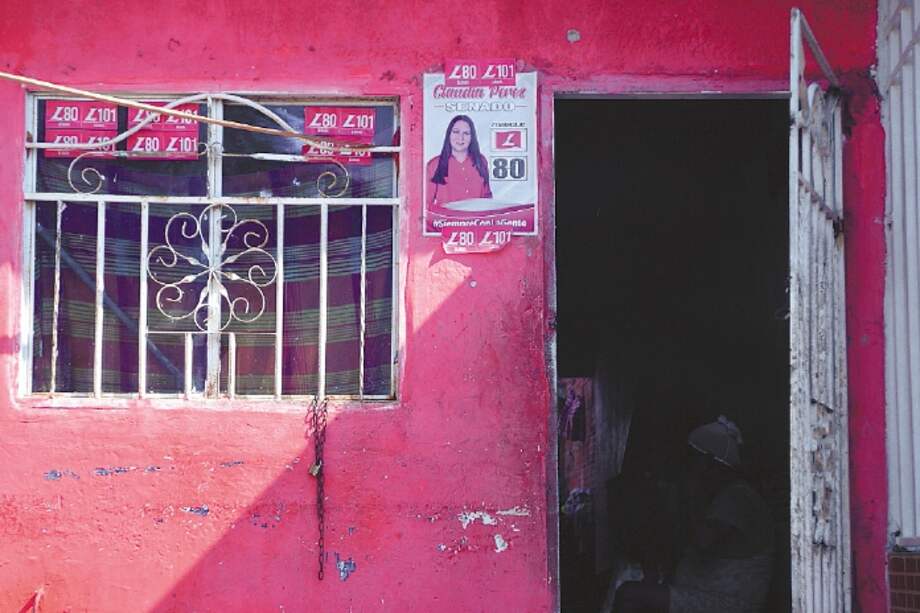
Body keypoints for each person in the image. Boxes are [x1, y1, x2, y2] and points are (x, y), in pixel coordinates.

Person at [614, 416, 774, 613]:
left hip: (726, 603)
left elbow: (703, 540)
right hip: (701, 592)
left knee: (629, 595)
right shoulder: (723, 495)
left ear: (708, 463)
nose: (689, 467)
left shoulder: (737, 496)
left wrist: (690, 494)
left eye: (693, 460)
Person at [426, 114, 492, 210]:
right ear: (449, 134)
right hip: (447, 222)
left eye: (466, 133)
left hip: (477, 222)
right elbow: (426, 204)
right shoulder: (434, 165)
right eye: (456, 132)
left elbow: (487, 198)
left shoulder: (481, 161)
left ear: (472, 137)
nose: (460, 138)